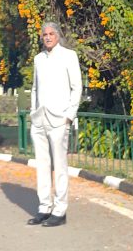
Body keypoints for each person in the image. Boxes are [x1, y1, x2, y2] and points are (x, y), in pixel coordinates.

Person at [26, 21, 82, 227]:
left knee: (59, 166)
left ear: (58, 35)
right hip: (39, 119)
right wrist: (33, 112)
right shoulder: (38, 59)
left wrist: (69, 116)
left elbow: (77, 87)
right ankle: (44, 207)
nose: (48, 37)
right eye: (45, 34)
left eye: (51, 34)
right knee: (42, 165)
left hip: (59, 120)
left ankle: (59, 210)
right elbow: (34, 88)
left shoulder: (69, 56)